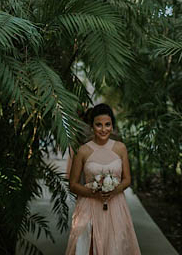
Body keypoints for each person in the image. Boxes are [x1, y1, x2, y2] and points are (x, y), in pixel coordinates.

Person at [65, 103, 141, 255]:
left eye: (107, 124)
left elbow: (127, 180)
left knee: (116, 245)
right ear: (92, 126)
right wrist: (95, 192)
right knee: (89, 246)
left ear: (112, 126)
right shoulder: (83, 151)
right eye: (98, 125)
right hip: (89, 205)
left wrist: (112, 190)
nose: (103, 129)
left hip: (116, 205)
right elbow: (73, 185)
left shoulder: (120, 148)